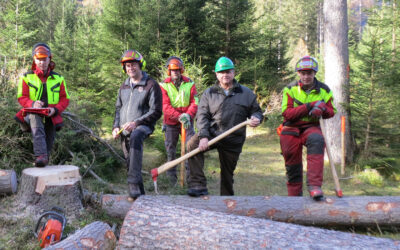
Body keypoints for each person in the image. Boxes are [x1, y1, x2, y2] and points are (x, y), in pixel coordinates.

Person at [186, 57, 263, 197]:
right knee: (192, 145)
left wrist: (256, 118)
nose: (225, 75)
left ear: (233, 72)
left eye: (228, 71)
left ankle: (227, 201)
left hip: (233, 138)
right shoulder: (209, 93)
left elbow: (257, 111)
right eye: (221, 72)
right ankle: (198, 185)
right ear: (216, 74)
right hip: (212, 134)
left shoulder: (246, 93)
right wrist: (203, 136)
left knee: (227, 174)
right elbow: (202, 116)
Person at [279, 56, 336, 200]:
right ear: (298, 73)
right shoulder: (290, 89)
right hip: (291, 127)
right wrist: (309, 106)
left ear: (314, 73)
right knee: (291, 160)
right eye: (303, 73)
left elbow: (331, 112)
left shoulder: (324, 90)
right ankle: (294, 195)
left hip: (312, 126)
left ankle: (315, 186)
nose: (306, 76)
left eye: (309, 73)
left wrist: (323, 109)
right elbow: (287, 113)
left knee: (317, 140)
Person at [112, 49, 162, 198]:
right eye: (127, 66)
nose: (130, 68)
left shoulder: (151, 84)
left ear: (140, 66)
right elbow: (118, 108)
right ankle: (140, 196)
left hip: (143, 126)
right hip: (124, 129)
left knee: (136, 135)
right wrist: (115, 126)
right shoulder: (124, 86)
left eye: (133, 65)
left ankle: (132, 183)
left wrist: (136, 122)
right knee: (130, 161)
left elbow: (156, 111)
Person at [15, 43, 70, 167]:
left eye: (44, 59)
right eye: (39, 60)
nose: (42, 62)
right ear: (34, 59)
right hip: (31, 113)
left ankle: (44, 160)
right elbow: (21, 97)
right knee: (35, 117)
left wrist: (55, 109)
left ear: (49, 59)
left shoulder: (59, 79)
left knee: (50, 134)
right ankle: (40, 155)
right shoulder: (26, 77)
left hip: (51, 113)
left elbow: (65, 99)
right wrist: (33, 103)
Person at [160, 56, 198, 185]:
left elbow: (195, 101)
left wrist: (188, 115)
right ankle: (172, 181)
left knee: (191, 148)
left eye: (177, 70)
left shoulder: (190, 83)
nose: (175, 72)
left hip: (187, 122)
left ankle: (190, 178)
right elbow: (165, 106)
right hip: (171, 123)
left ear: (181, 70)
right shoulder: (164, 86)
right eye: (172, 70)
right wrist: (178, 116)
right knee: (170, 150)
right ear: (169, 71)